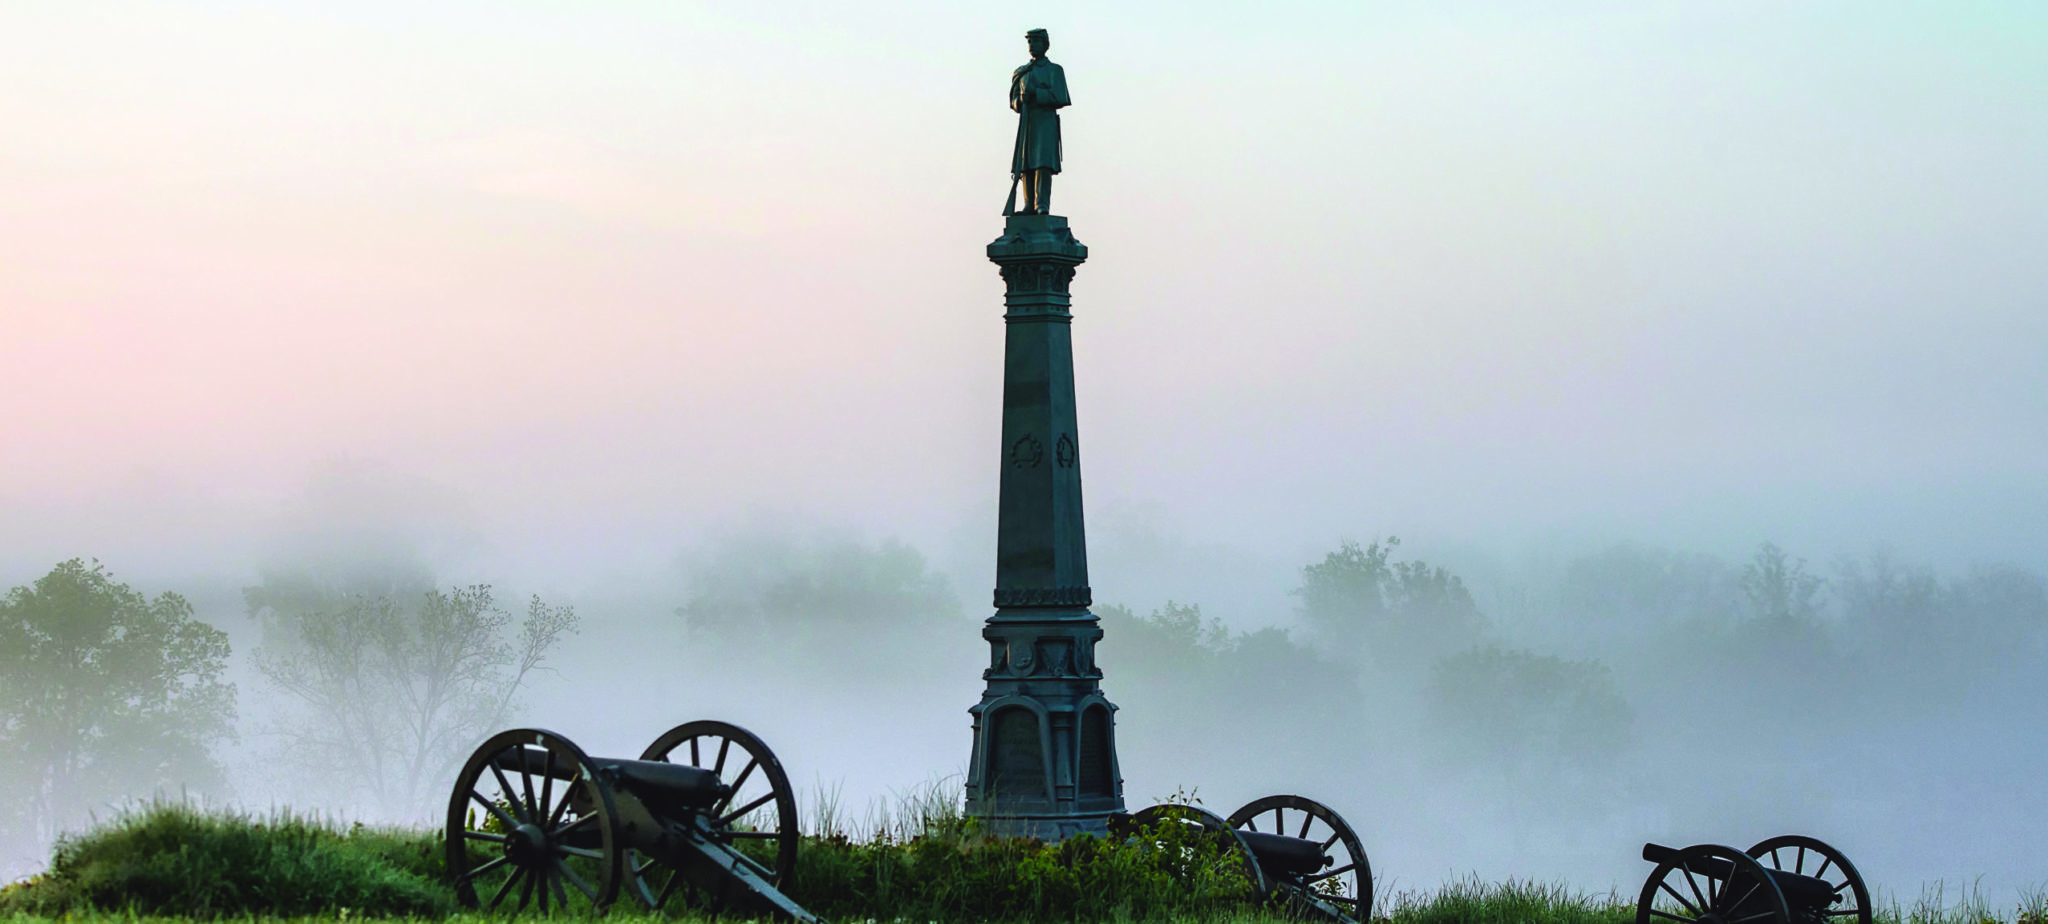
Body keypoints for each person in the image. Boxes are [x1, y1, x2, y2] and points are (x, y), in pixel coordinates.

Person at [1008, 28, 1069, 215]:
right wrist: (1020, 101)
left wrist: (1036, 93)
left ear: (1045, 44)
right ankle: (1028, 205)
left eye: (1036, 41)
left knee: (1043, 163)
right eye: (1030, 42)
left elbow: (1060, 97)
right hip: (1028, 123)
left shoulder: (1054, 70)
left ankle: (1041, 203)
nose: (1032, 45)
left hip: (1045, 122)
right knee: (1025, 163)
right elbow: (1013, 101)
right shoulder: (1021, 72)